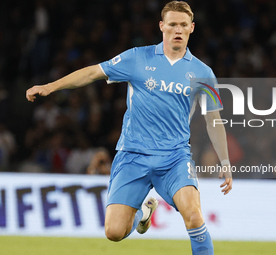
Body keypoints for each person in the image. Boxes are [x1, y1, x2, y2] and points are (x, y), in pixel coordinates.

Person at [26, 1, 232, 254]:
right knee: (114, 232)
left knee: (193, 215)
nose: (177, 30)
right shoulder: (137, 57)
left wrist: (224, 160)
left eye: (182, 25)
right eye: (172, 24)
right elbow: (93, 73)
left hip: (175, 157)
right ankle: (143, 214)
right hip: (133, 155)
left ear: (191, 27)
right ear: (161, 26)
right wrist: (50, 87)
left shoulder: (203, 72)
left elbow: (214, 119)